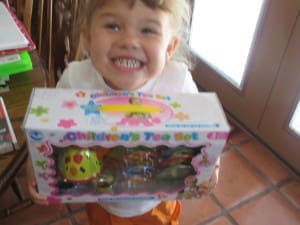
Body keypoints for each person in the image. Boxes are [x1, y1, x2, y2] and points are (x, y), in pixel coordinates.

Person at [27, 0, 219, 224]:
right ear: (87, 37)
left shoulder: (178, 82)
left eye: (148, 30)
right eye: (113, 26)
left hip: (155, 204)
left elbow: (207, 129)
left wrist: (212, 164)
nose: (129, 41)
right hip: (101, 198)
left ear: (169, 48)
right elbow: (46, 128)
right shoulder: (76, 79)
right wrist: (37, 164)